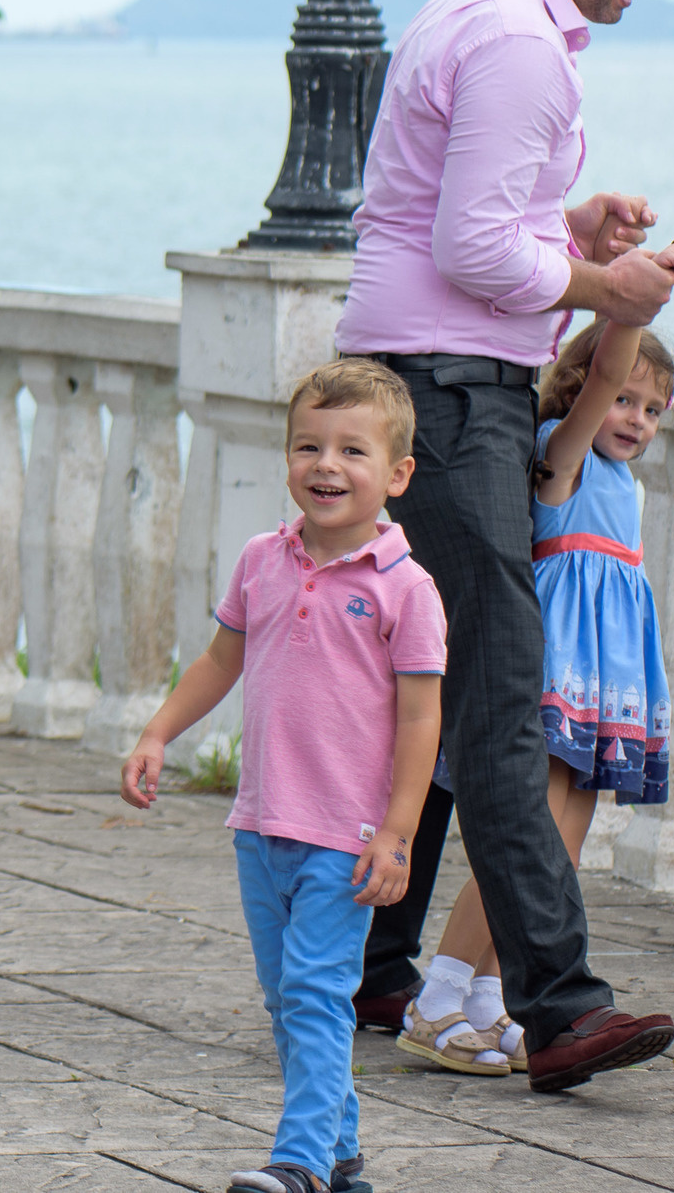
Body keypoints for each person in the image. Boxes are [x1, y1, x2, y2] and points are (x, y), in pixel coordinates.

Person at [334, 0, 674, 1093]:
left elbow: (475, 219)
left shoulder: (474, 13)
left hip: (421, 377)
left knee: (438, 678)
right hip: (453, 388)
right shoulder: (518, 44)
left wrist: (571, 223)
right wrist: (611, 285)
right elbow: (476, 254)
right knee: (498, 697)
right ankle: (559, 1004)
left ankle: (374, 967)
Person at [123, 360, 445, 1193]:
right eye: (308, 446)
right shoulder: (264, 558)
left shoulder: (408, 590)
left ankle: (297, 1164)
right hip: (262, 823)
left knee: (313, 993)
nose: (326, 465)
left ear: (398, 474)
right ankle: (341, 1157)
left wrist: (400, 834)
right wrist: (160, 731)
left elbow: (421, 720)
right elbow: (220, 657)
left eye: (351, 450)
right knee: (289, 1001)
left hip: (348, 835)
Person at [396, 309, 674, 1078]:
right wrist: (627, 306)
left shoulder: (625, 484)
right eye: (624, 398)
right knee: (527, 834)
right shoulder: (563, 459)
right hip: (560, 672)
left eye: (653, 409)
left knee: (564, 843)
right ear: (586, 387)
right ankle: (440, 994)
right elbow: (592, 392)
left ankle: (492, 997)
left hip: (607, 685)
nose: (635, 420)